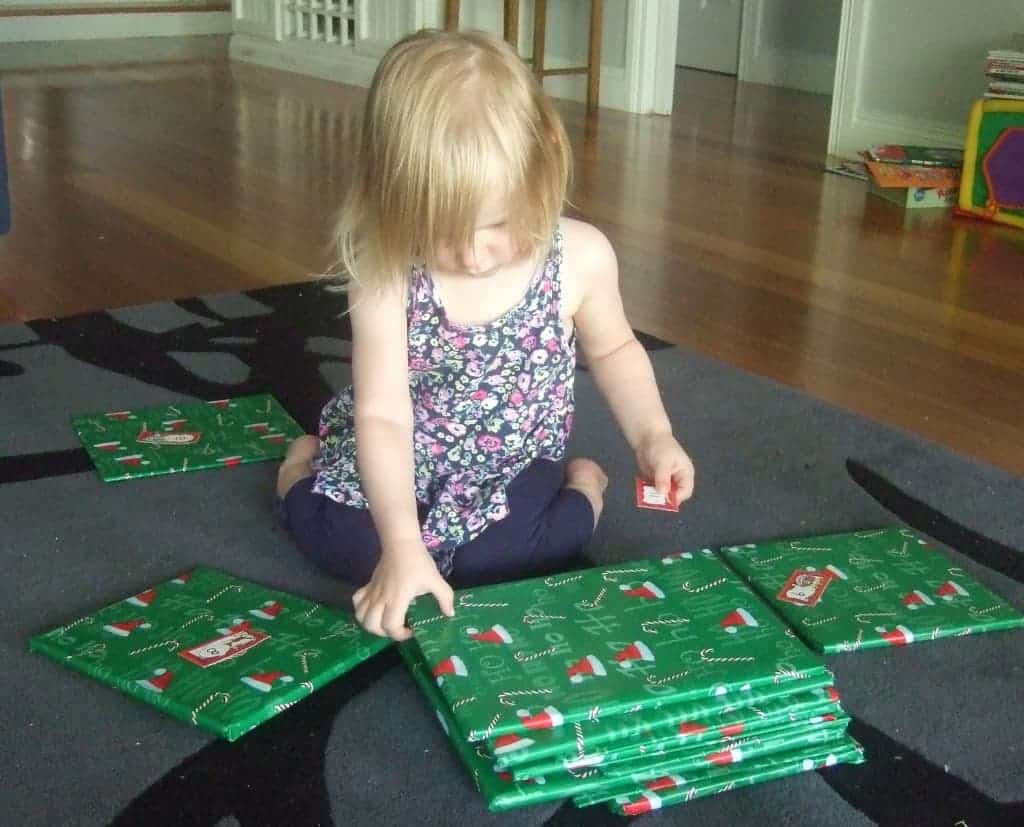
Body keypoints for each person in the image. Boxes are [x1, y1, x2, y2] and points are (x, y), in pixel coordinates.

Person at [277, 29, 694, 641]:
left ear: (542, 165)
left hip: (512, 465)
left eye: (498, 224)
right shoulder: (386, 271)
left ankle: (586, 484)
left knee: (506, 561)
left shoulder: (581, 257)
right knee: (351, 549)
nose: (473, 256)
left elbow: (614, 350)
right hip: (403, 458)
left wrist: (654, 436)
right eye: (440, 230)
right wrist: (400, 545)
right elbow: (384, 415)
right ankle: (297, 468)